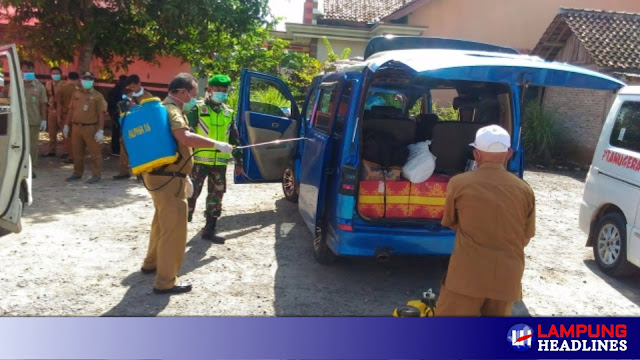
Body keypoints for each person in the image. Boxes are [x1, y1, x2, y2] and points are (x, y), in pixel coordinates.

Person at [140, 72, 233, 294]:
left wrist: (186, 173)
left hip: (157, 175)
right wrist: (216, 144)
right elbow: (185, 138)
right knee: (173, 231)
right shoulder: (174, 111)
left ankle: (150, 263)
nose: (194, 97)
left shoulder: (160, 109)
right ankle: (165, 282)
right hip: (169, 179)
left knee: (160, 222)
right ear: (182, 92)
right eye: (193, 93)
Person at [436, 125, 536, 317]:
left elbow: (450, 221)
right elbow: (525, 237)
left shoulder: (459, 183)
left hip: (467, 277)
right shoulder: (524, 190)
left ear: (476, 154)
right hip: (507, 279)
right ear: (508, 154)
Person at [186, 74, 244, 243]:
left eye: (224, 91)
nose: (221, 93)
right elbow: (186, 134)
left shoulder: (228, 113)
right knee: (190, 194)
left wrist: (239, 162)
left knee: (216, 196)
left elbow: (235, 139)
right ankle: (180, 228)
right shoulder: (196, 109)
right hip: (198, 162)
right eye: (218, 90)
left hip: (219, 164)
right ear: (209, 90)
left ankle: (209, 230)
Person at [63, 71, 107, 184]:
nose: (87, 81)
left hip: (90, 127)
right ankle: (77, 173)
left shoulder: (98, 96)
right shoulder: (76, 94)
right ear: (81, 80)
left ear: (93, 81)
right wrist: (66, 125)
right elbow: (71, 110)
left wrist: (101, 130)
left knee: (94, 153)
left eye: (89, 79)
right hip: (76, 126)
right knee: (77, 152)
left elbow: (101, 114)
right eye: (84, 79)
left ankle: (96, 175)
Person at [113, 74, 154, 180]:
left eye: (134, 87)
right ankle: (123, 172)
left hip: (142, 127)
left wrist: (137, 107)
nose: (132, 89)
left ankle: (141, 173)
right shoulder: (129, 95)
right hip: (129, 125)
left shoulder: (147, 96)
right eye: (130, 88)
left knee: (140, 149)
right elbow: (122, 110)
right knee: (124, 149)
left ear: (139, 84)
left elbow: (150, 112)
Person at [21, 61, 47, 178]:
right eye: (25, 71)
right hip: (18, 123)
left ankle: (31, 169)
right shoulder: (14, 85)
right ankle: (20, 168)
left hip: (33, 121)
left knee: (32, 146)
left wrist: (44, 120)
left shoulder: (39, 87)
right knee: (18, 146)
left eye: (30, 71)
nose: (28, 73)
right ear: (21, 71)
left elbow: (43, 105)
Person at [57, 72, 80, 163]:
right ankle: (77, 156)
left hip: (66, 114)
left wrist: (58, 117)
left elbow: (59, 104)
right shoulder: (81, 89)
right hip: (79, 115)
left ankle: (71, 156)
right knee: (77, 137)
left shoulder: (62, 89)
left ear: (68, 78)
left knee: (68, 137)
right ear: (78, 79)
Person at [43, 66, 64, 157]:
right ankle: (52, 151)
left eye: (57, 73)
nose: (55, 75)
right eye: (54, 73)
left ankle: (66, 151)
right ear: (51, 75)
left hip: (62, 111)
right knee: (52, 132)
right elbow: (46, 97)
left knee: (65, 132)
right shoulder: (48, 84)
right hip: (51, 110)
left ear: (61, 75)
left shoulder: (65, 85)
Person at [107, 75, 127, 156]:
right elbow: (113, 104)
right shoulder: (115, 91)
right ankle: (115, 150)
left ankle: (117, 149)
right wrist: (113, 114)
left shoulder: (121, 90)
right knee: (116, 132)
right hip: (116, 114)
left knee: (118, 132)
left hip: (120, 114)